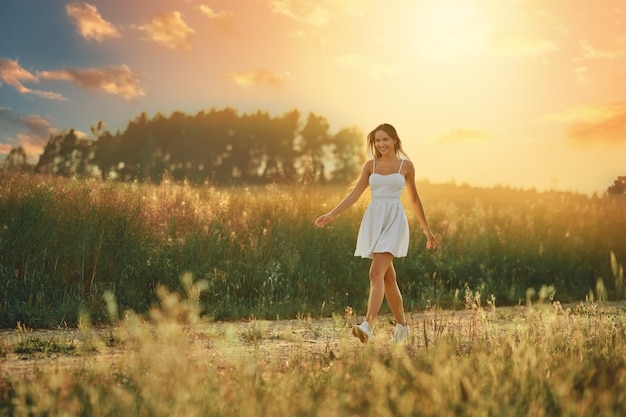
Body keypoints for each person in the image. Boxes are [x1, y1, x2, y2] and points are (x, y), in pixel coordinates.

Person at [314, 123, 437, 344]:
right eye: (377, 141)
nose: (381, 144)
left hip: (394, 221)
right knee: (388, 278)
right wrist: (331, 214)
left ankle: (368, 325)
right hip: (374, 220)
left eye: (385, 140)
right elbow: (354, 195)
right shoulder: (370, 166)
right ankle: (403, 327)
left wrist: (427, 231)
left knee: (375, 273)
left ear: (394, 141)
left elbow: (414, 199)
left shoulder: (406, 166)